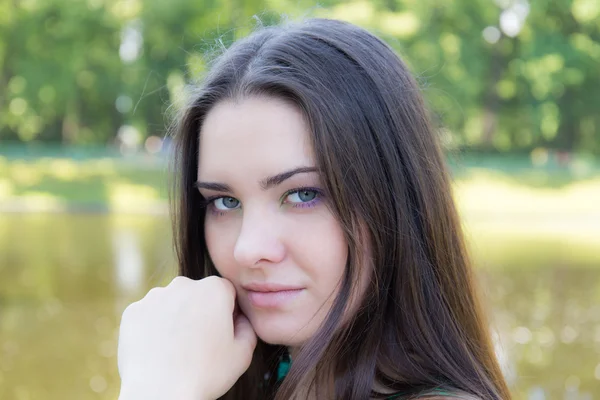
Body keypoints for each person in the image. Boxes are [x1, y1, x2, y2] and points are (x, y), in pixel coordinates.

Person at [116, 18, 511, 400]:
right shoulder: (235, 380)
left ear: (393, 202)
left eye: (303, 195)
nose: (247, 249)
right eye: (225, 201)